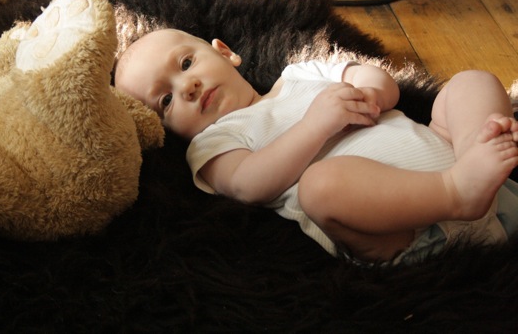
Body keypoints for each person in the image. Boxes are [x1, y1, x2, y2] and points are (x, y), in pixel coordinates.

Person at [114, 28, 518, 264]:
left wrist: (369, 95)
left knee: (471, 82)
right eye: (165, 101)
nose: (187, 87)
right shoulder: (215, 141)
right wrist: (315, 126)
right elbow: (246, 185)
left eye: (186, 65)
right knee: (320, 186)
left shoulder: (301, 74)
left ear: (225, 53)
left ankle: (473, 155)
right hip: (410, 231)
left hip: (447, 152)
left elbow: (377, 78)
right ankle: (456, 191)